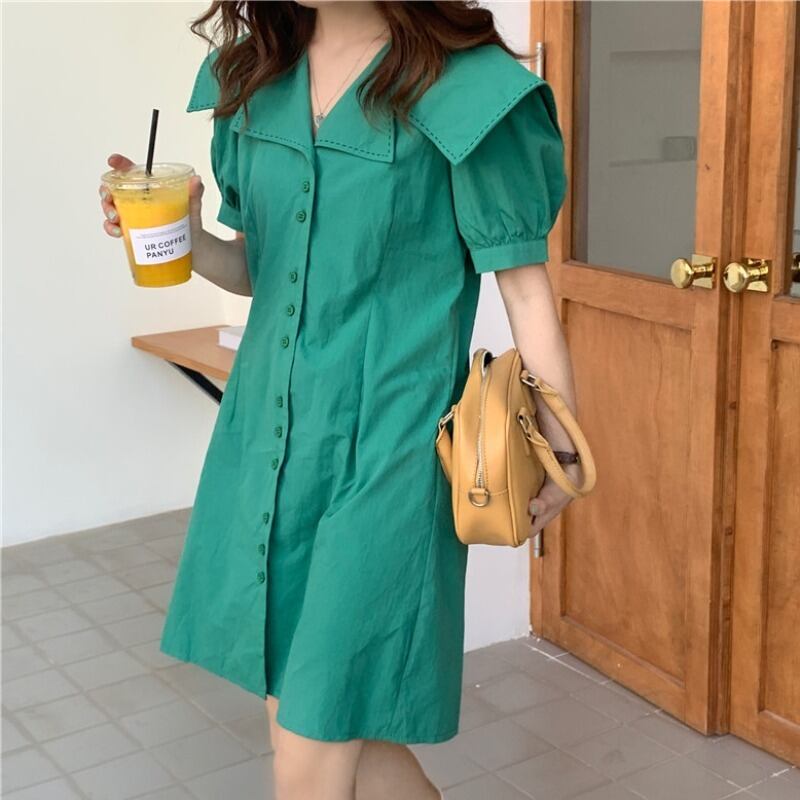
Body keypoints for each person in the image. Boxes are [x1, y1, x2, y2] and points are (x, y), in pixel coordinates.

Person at [98, 2, 583, 798]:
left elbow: (527, 294)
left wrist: (562, 449)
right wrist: (179, 237)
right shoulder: (254, 75)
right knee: (323, 722)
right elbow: (258, 270)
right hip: (269, 446)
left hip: (392, 456)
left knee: (311, 747)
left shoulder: (471, 89)